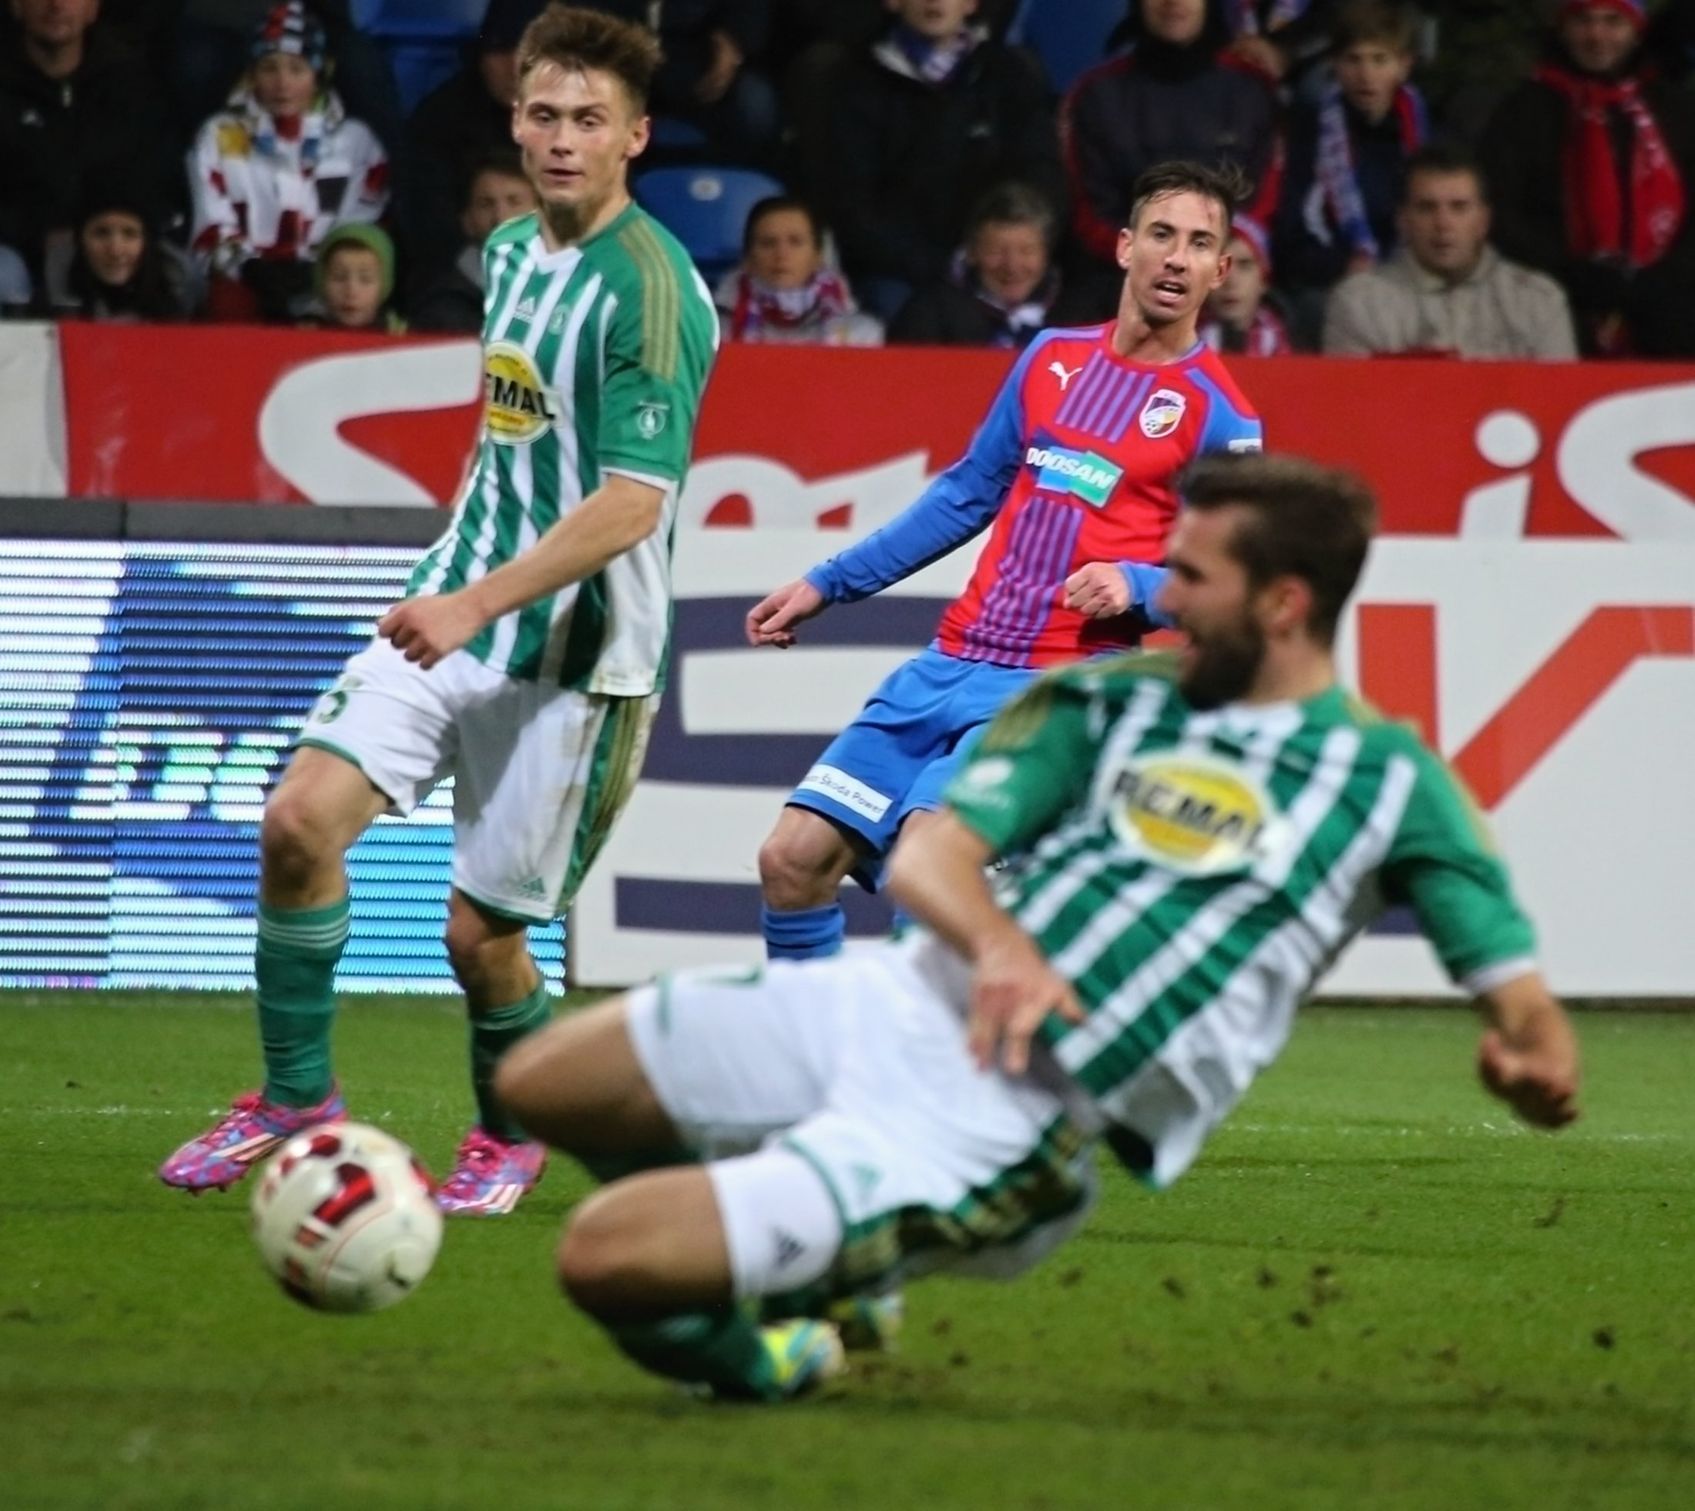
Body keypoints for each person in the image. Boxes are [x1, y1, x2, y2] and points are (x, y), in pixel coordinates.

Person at [492, 449, 1583, 1402]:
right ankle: (824, 1272)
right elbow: (929, 856)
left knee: (604, 1256)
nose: (1164, 597)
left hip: (1012, 1117)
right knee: (542, 1084)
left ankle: (779, 1351)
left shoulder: (1394, 786)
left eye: (1189, 577)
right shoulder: (1112, 701)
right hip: (897, 1004)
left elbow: (1531, 1019)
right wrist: (1003, 947)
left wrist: (1528, 1063)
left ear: (1284, 604)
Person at [159, 5, 719, 1216]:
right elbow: (514, 436)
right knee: (298, 821)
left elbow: (631, 505)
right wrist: (459, 572)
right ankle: (296, 1095)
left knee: (480, 939)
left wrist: (473, 600)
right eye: (545, 113)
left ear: (636, 137)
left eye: (591, 120)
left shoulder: (657, 294)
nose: (563, 138)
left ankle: (508, 1130)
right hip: (454, 606)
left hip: (577, 660)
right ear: (515, 118)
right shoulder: (513, 253)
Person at [747, 159, 1262, 968]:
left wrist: (1139, 585)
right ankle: (814, 1063)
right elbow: (963, 495)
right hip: (947, 664)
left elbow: (1236, 588)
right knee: (790, 860)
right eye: (1161, 235)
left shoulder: (1219, 415)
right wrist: (827, 582)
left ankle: (914, 1085)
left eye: (1199, 244)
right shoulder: (1051, 357)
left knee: (927, 870)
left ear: (1220, 271)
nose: (1176, 257)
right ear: (1125, 247)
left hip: (1052, 689)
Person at [809, 0, 1063, 321]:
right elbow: (850, 206)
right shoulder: (855, 82)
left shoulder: (1009, 72)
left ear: (972, 4)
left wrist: (1004, 248)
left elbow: (1041, 173)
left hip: (999, 260)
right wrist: (938, 265)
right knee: (900, 309)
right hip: (902, 271)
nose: (934, 2)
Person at [1481, 0, 1695, 357]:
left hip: (1671, 307)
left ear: (1636, 30)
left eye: (1613, 21)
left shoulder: (1676, 111)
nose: (1597, 36)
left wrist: (1661, 281)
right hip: (1554, 300)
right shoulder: (1523, 110)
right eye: (1583, 21)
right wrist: (1573, 275)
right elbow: (1501, 211)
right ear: (1563, 28)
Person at [188, 1, 389, 323]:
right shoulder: (220, 135)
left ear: (318, 73)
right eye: (269, 68)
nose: (282, 83)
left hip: (328, 283)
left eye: (297, 69)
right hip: (247, 282)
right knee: (228, 300)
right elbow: (210, 224)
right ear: (252, 74)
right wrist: (248, 266)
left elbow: (361, 222)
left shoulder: (355, 141)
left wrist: (321, 266)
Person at [1060, 0, 1280, 290]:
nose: (1174, 2)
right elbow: (1090, 216)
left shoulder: (1252, 90)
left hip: (1224, 282)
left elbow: (1263, 200)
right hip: (1123, 281)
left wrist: (1205, 259)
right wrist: (1158, 260)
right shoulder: (1095, 96)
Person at [1323, 144, 1577, 359]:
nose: (1443, 224)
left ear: (1483, 221)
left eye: (1459, 208)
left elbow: (1559, 408)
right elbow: (1351, 410)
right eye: (1426, 208)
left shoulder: (1539, 302)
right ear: (1402, 220)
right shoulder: (1358, 304)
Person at [1273, 0, 1426, 345]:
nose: (1366, 75)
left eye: (1379, 60)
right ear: (1335, 65)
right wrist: (1342, 266)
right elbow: (1292, 234)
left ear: (1404, 66)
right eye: (1353, 60)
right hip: (1336, 279)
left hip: (1413, 275)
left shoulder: (1425, 135)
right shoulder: (1310, 135)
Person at [0, 0, 171, 300]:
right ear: (16, 6)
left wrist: (104, 229)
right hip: (17, 247)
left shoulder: (129, 82)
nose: (55, 5)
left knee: (181, 274)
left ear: (93, 9)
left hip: (110, 241)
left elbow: (155, 177)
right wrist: (38, 235)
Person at [889, 181, 1110, 347]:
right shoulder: (930, 313)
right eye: (996, 251)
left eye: (1026, 251)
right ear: (972, 252)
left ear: (1045, 254)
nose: (1012, 266)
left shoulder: (1083, 315)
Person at [715, 195, 882, 345]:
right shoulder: (714, 332)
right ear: (748, 258)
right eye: (768, 243)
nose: (781, 254)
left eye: (795, 242)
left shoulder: (862, 334)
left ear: (817, 256)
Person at [409, 152, 539, 334]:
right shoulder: (441, 311)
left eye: (514, 202)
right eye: (486, 204)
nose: (501, 217)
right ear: (467, 221)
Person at [53, 184, 191, 322]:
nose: (115, 251)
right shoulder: (51, 309)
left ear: (147, 243)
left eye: (130, 234)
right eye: (101, 233)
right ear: (80, 240)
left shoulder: (177, 310)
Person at [1198, 214, 1290, 354]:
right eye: (1219, 267)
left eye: (1244, 265)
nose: (1231, 281)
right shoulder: (1175, 347)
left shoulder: (1290, 344)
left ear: (1263, 280)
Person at [311, 222, 404, 332]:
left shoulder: (407, 339)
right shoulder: (303, 333)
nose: (351, 291)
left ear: (385, 285)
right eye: (339, 277)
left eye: (366, 279)